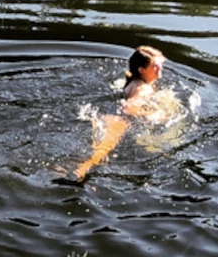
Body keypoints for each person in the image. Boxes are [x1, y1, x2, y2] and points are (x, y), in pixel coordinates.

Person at [70, 46, 166, 183]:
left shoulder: (134, 81)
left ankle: (75, 167)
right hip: (121, 119)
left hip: (111, 114)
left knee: (99, 148)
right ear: (142, 70)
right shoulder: (143, 88)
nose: (160, 69)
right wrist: (153, 114)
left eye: (160, 65)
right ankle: (78, 173)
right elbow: (129, 107)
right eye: (155, 66)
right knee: (102, 150)